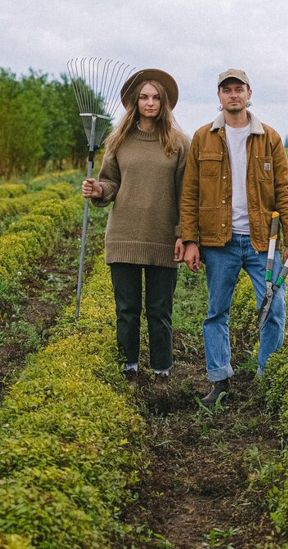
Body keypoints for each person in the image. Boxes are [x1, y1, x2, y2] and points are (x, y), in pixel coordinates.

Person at [180, 68, 288, 407]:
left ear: (250, 94)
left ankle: (267, 375)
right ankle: (220, 380)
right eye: (226, 90)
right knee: (217, 311)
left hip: (265, 241)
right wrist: (190, 240)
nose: (233, 95)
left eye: (239, 89)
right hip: (220, 242)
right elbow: (189, 194)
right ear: (218, 96)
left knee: (274, 308)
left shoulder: (270, 138)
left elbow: (285, 192)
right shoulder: (203, 138)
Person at [83, 69, 189, 380]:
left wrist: (184, 234)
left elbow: (187, 193)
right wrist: (98, 190)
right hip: (124, 235)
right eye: (144, 97)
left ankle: (161, 370)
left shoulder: (179, 143)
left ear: (164, 102)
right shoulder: (119, 141)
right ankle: (127, 367)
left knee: (160, 312)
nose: (150, 103)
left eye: (156, 97)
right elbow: (110, 182)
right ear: (134, 102)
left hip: (162, 237)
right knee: (126, 310)